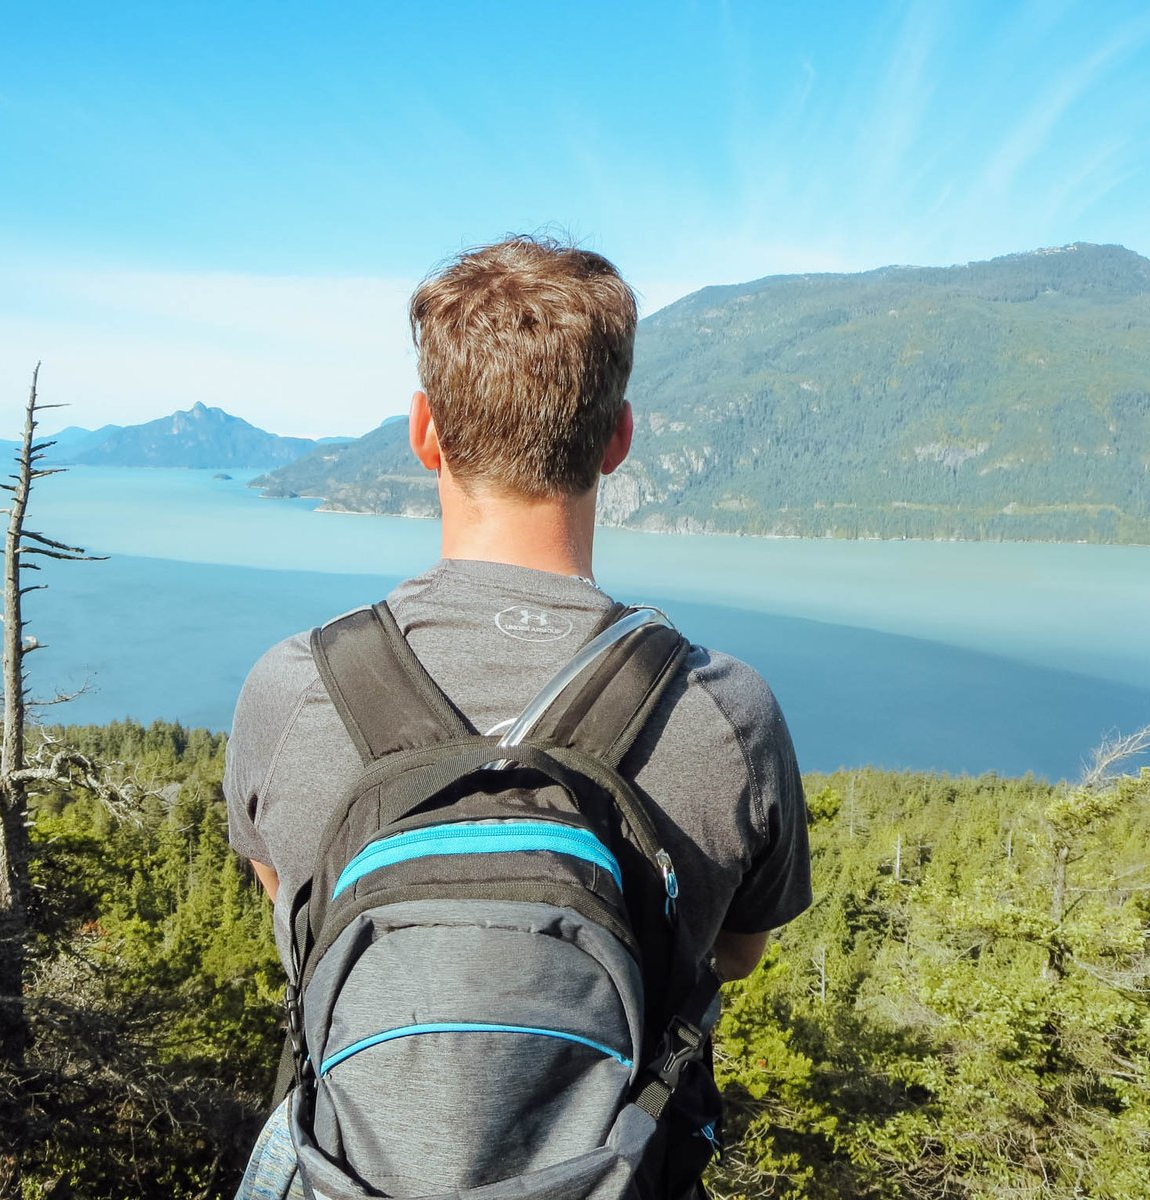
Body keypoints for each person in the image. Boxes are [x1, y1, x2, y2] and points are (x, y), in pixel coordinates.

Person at [223, 235, 810, 1198]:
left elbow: (290, 910)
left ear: (423, 433)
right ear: (619, 436)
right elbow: (739, 953)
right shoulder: (726, 710)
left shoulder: (292, 688)